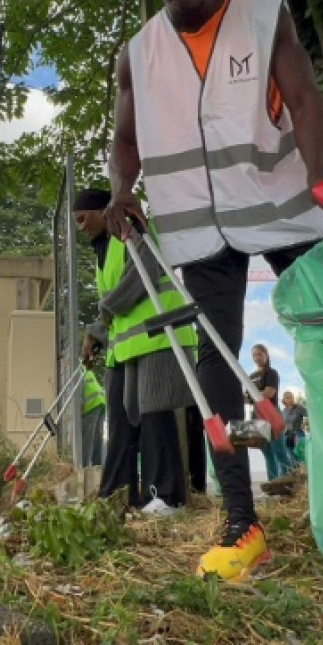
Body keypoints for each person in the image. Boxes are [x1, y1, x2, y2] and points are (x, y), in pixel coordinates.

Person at [103, 0, 323, 580]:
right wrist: (123, 193)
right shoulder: (136, 54)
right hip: (198, 232)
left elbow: (305, 100)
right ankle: (242, 525)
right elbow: (123, 141)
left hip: (279, 205)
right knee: (215, 368)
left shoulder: (264, 17)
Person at [77, 188, 198, 516]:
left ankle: (169, 497)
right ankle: (120, 496)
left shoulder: (131, 228)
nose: (81, 226)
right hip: (132, 344)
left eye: (83, 218)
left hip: (161, 333)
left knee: (155, 412)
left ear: (103, 211)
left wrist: (99, 320)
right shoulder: (103, 251)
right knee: (132, 419)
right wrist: (98, 332)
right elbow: (113, 308)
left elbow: (140, 277)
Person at [249, 345, 296, 481]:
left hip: (271, 413)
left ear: (266, 355)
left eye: (259, 354)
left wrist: (253, 395)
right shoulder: (251, 376)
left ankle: (288, 482)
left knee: (279, 450)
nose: (257, 358)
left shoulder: (271, 373)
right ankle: (273, 483)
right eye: (254, 355)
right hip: (257, 415)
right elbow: (246, 397)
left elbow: (269, 393)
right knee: (267, 452)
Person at [81, 368, 106, 467]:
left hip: (91, 404)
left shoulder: (73, 369)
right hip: (100, 402)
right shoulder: (82, 368)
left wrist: (81, 405)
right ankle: (97, 465)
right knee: (97, 437)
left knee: (87, 438)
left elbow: (80, 389)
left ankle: (84, 466)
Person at [281, 391, 308, 457]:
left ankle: (302, 465)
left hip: (298, 433)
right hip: (287, 435)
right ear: (284, 400)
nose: (291, 399)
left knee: (300, 455)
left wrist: (304, 423)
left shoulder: (299, 408)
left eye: (291, 397)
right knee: (291, 456)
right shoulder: (284, 410)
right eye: (288, 398)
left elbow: (310, 415)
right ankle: (295, 466)